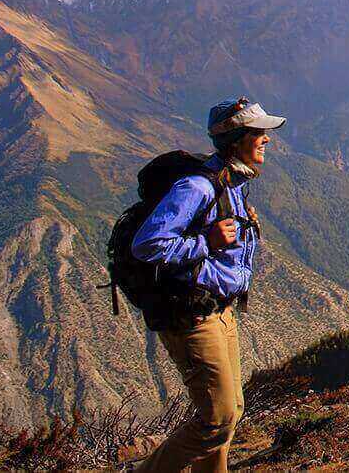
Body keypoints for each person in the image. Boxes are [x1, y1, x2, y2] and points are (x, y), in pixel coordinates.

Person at [131, 97, 285, 473]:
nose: (267, 139)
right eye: (258, 133)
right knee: (215, 418)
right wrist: (206, 243)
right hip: (193, 316)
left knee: (232, 412)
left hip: (220, 309)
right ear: (236, 140)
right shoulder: (197, 187)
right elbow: (147, 244)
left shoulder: (231, 184)